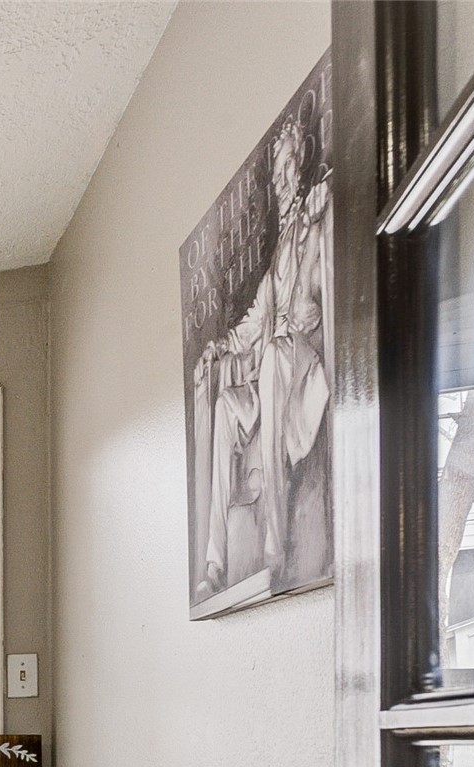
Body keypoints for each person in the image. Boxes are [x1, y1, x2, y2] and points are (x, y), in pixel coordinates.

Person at [196, 111, 333, 601]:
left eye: (286, 170)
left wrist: (320, 214)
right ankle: (214, 562)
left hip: (304, 362)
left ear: (300, 170)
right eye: (275, 175)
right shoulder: (278, 254)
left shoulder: (316, 221)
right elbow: (255, 317)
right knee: (224, 403)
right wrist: (221, 346)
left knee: (275, 356)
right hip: (274, 366)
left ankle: (277, 541)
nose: (280, 182)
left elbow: (317, 306)